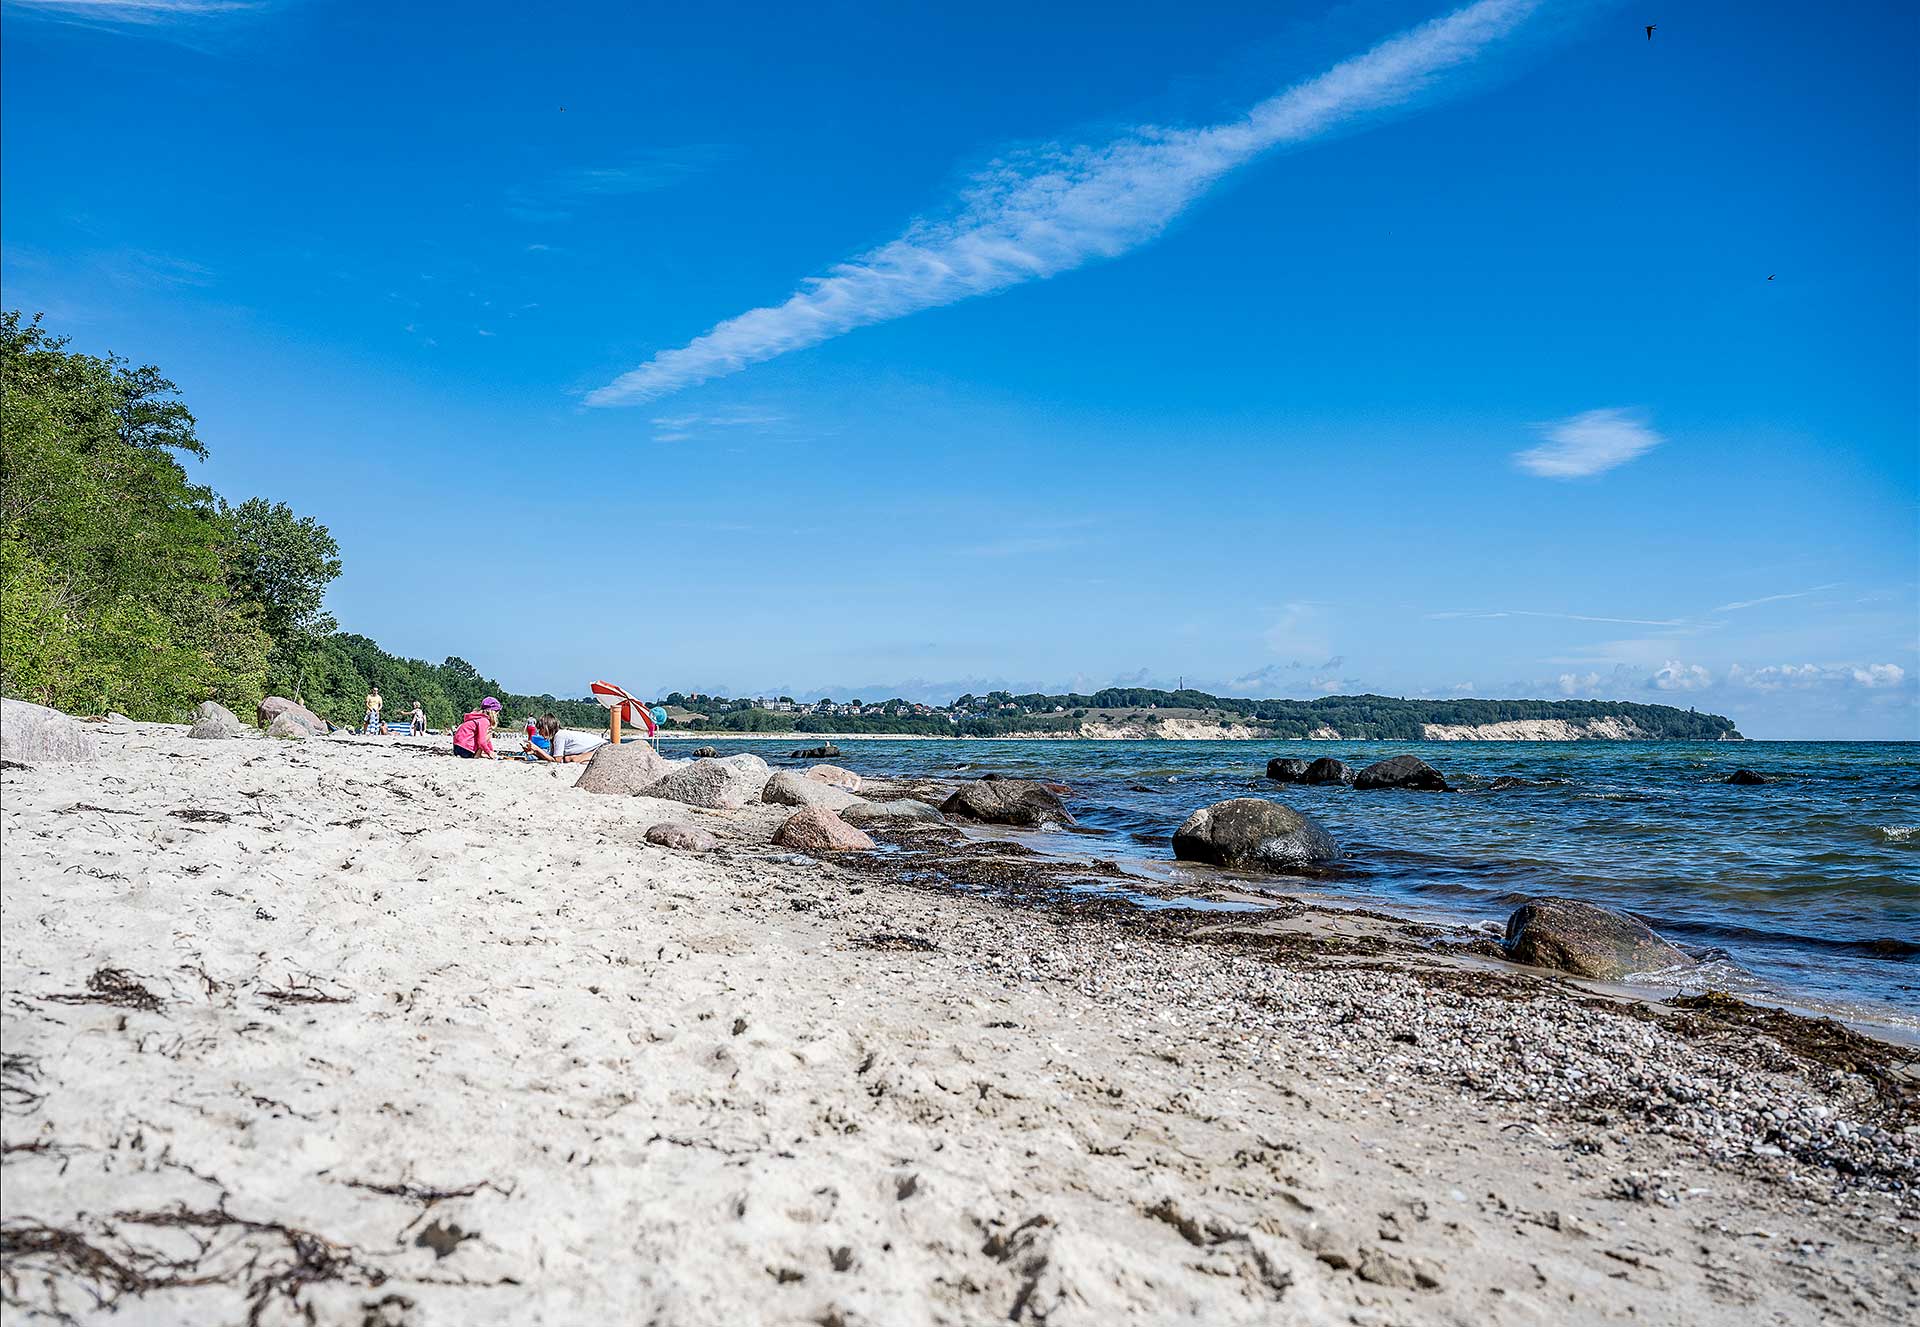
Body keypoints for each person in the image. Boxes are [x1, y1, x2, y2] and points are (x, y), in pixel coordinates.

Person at [525, 714, 606, 763]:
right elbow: (550, 757)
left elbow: (556, 761)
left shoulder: (559, 736)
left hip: (602, 748)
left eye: (540, 729)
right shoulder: (555, 737)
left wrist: (537, 749)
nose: (539, 733)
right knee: (567, 759)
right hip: (596, 748)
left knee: (573, 760)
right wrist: (535, 752)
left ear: (546, 728)